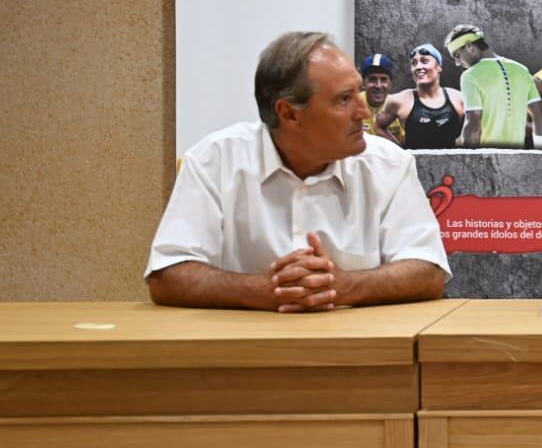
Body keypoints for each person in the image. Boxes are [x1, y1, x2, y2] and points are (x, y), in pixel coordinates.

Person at [146, 31, 449, 311]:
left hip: (357, 358)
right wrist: (262, 290)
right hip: (243, 359)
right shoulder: (214, 160)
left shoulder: (389, 165)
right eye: (344, 99)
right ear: (289, 113)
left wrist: (341, 286)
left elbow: (428, 271)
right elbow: (168, 275)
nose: (362, 112)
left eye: (358, 92)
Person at [448, 25, 542, 148]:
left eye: (457, 55)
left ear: (469, 46)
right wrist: (541, 153)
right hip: (518, 160)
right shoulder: (522, 70)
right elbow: (539, 116)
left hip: (488, 161)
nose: (457, 63)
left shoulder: (470, 76)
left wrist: (470, 161)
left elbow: (473, 125)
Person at [376, 42, 464, 149]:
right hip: (414, 165)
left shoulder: (458, 99)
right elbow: (379, 126)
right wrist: (400, 152)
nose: (418, 67)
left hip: (452, 165)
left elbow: (476, 128)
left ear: (439, 67)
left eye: (424, 61)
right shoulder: (400, 101)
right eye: (414, 63)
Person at [359, 53, 402, 145]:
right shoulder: (352, 105)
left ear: (390, 83)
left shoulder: (399, 107)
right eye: (372, 79)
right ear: (363, 83)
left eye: (383, 79)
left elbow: (405, 146)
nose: (378, 85)